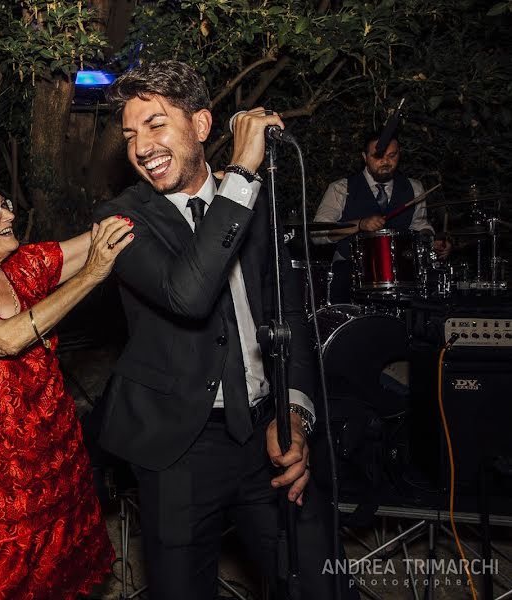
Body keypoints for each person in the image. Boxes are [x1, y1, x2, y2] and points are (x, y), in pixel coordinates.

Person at [93, 60, 352, 599]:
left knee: (318, 583)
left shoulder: (257, 206)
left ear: (203, 126)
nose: (142, 146)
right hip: (178, 447)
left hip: (267, 432)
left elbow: (289, 318)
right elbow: (188, 295)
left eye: (157, 124)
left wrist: (296, 414)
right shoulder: (120, 219)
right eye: (131, 134)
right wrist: (242, 173)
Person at [0, 176, 132, 599]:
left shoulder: (22, 265)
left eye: (5, 205)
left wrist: (160, 193)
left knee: (67, 582)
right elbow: (6, 339)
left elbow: (102, 236)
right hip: (0, 488)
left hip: (60, 461)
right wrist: (90, 277)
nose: (9, 215)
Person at [314, 134, 452, 302]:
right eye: (378, 156)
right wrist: (359, 225)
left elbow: (420, 226)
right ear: (365, 157)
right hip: (351, 271)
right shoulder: (340, 188)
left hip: (401, 274)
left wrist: (430, 242)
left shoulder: (414, 188)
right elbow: (318, 235)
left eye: (392, 156)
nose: (385, 162)